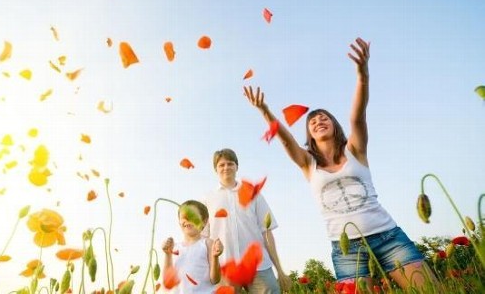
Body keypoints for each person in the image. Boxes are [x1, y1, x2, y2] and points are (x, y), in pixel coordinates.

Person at [244, 38, 438, 291]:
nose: (318, 121)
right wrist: (265, 111)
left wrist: (362, 75)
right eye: (312, 122)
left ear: (335, 125)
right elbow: (285, 139)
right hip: (346, 248)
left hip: (388, 236)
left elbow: (358, 115)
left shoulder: (356, 150)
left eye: (324, 117)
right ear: (310, 135)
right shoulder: (307, 163)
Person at [202, 148, 290, 293]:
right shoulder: (207, 199)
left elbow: (266, 233)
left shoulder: (253, 194)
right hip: (225, 268)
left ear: (237, 166)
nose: (226, 167)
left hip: (258, 266)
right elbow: (205, 239)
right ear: (215, 169)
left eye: (230, 163)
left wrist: (279, 270)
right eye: (221, 165)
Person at [162, 200, 224, 294]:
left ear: (204, 221)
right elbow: (167, 280)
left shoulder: (207, 243)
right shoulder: (174, 247)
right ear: (179, 222)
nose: (188, 218)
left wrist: (215, 257)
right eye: (184, 216)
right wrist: (167, 254)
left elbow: (215, 280)